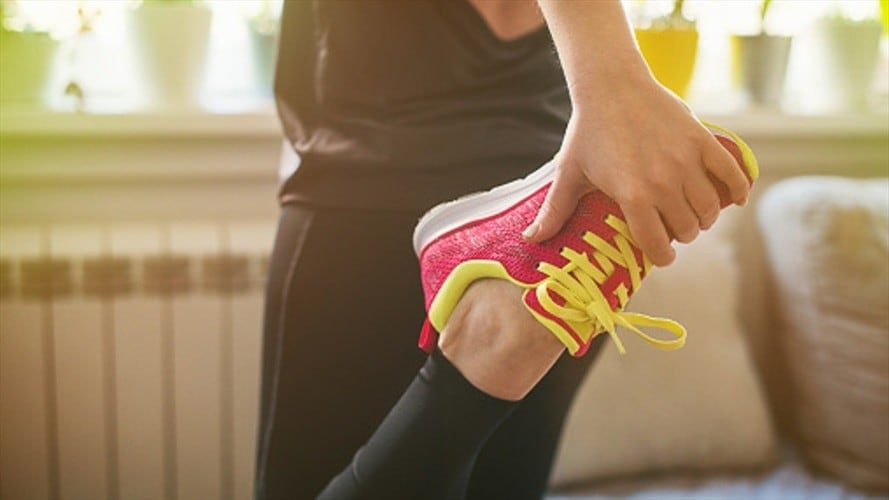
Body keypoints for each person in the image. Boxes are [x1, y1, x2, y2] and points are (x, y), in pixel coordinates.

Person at [255, 1, 751, 499]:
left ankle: (486, 342)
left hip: (366, 185)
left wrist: (615, 87)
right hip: (563, 233)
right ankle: (491, 346)